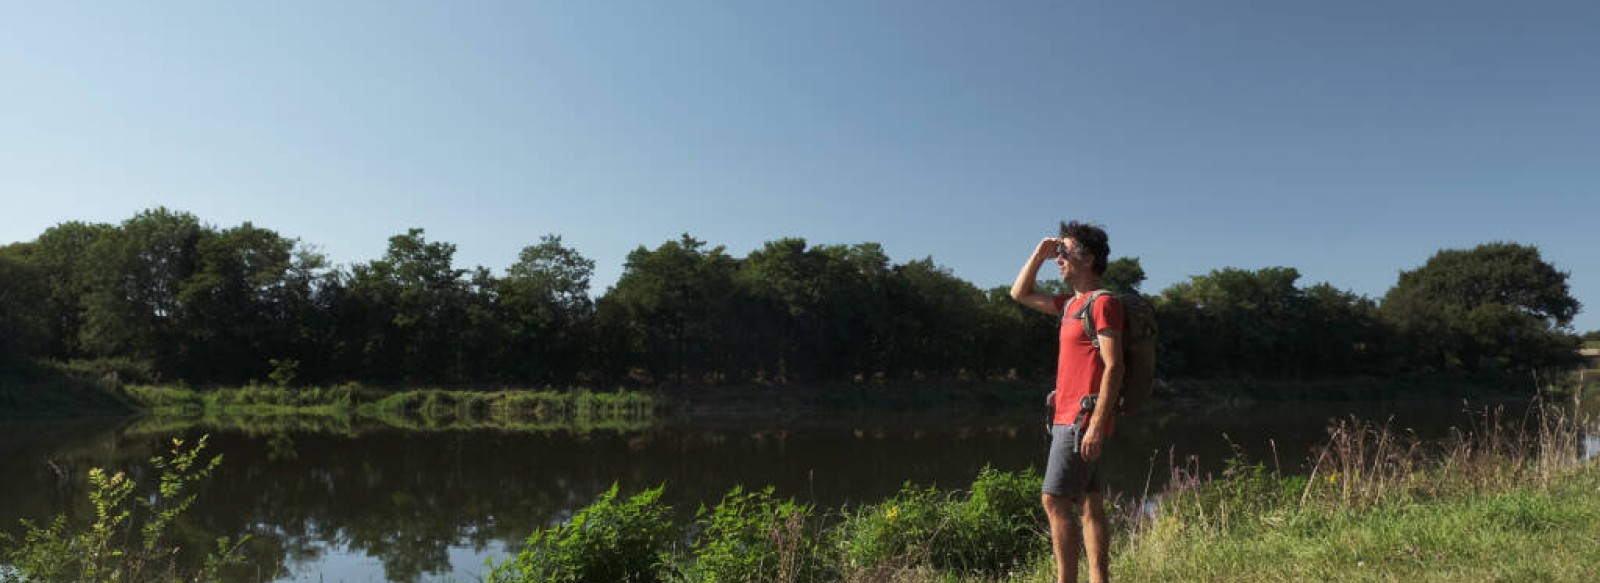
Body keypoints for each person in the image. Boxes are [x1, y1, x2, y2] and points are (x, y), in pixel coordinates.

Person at [1010, 220, 1124, 583]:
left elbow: (1114, 365)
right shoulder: (1069, 305)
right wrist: (1039, 254)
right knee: (1089, 504)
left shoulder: (1102, 303)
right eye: (1057, 253)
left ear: (1087, 259)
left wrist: (1095, 424)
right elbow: (1020, 293)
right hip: (1066, 416)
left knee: (1054, 501)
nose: (1058, 259)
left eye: (1065, 252)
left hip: (1081, 419)